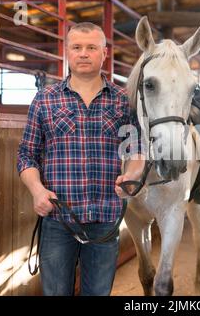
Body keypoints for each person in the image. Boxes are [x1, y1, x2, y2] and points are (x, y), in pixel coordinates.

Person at [17, 22, 144, 296]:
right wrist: (37, 191)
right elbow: (26, 155)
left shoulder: (124, 101)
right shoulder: (45, 100)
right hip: (58, 219)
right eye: (77, 47)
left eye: (91, 47)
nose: (83, 53)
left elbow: (137, 151)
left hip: (105, 219)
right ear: (67, 52)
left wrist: (131, 176)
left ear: (104, 53)